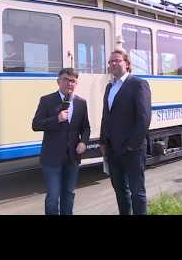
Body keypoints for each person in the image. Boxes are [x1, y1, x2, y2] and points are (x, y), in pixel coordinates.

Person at [99, 49, 152, 215]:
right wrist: (102, 141)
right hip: (113, 150)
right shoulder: (109, 87)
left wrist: (131, 146)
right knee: (120, 191)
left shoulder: (138, 84)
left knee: (137, 191)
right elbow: (106, 116)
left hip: (132, 150)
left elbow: (143, 118)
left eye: (117, 60)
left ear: (127, 64)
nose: (113, 64)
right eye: (110, 62)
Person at [32, 68, 90, 215]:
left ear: (76, 83)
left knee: (69, 195)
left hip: (72, 159)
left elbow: (86, 127)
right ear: (58, 81)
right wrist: (56, 119)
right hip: (51, 159)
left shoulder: (81, 103)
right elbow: (36, 124)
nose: (69, 83)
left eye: (73, 81)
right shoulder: (46, 100)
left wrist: (83, 142)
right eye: (66, 79)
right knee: (53, 197)